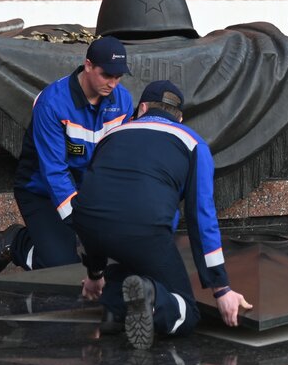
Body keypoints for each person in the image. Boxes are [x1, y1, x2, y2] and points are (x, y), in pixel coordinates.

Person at [71, 80, 252, 349]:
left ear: (141, 108)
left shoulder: (111, 135)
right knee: (187, 312)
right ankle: (153, 299)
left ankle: (113, 310)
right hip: (144, 229)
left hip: (87, 224)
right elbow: (201, 218)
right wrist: (221, 288)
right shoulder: (192, 143)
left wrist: (95, 274)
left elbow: (96, 198)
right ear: (180, 118)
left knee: (125, 264)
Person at [0, 36, 134, 276]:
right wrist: (81, 222)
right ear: (88, 65)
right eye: (106, 75)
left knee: (127, 253)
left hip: (88, 188)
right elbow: (54, 172)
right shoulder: (52, 103)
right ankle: (18, 242)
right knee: (62, 267)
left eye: (118, 77)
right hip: (41, 190)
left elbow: (116, 160)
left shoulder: (123, 101)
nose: (113, 84)